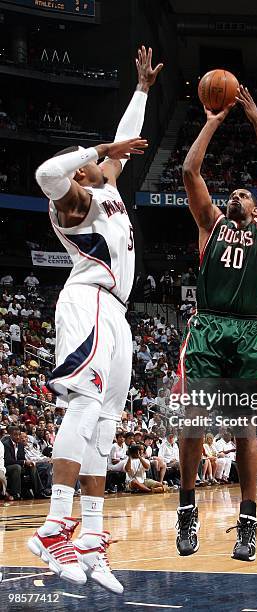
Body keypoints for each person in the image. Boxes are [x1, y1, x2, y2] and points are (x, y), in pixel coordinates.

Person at [27, 45, 163, 592]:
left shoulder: (106, 187)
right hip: (89, 300)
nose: (107, 164)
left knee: (106, 427)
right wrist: (99, 145)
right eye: (97, 161)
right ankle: (55, 526)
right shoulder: (74, 202)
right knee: (84, 405)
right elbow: (43, 172)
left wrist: (143, 91)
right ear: (83, 166)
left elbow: (125, 146)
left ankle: (91, 537)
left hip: (118, 314)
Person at [175, 86, 257, 562]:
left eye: (247, 194)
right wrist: (214, 120)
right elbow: (189, 171)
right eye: (234, 192)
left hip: (247, 331)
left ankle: (247, 523)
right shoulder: (209, 223)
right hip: (207, 327)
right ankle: (186, 509)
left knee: (245, 429)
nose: (239, 195)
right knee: (193, 420)